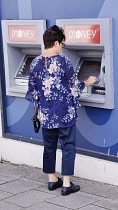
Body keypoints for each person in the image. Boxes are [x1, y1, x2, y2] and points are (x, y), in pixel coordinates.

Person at [25, 25, 97, 196]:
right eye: (62, 44)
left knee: (49, 146)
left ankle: (52, 180)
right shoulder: (64, 62)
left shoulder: (35, 63)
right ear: (56, 43)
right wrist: (87, 82)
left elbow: (32, 92)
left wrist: (45, 103)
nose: (62, 48)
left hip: (47, 115)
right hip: (65, 114)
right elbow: (73, 87)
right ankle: (66, 184)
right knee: (68, 146)